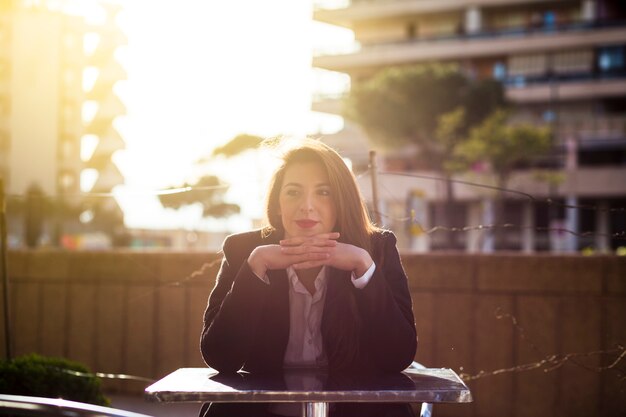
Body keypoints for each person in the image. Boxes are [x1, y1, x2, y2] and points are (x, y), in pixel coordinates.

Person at [199, 139, 418, 416]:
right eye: (293, 193)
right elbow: (220, 357)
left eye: (323, 192)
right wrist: (256, 267)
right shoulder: (243, 250)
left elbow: (397, 356)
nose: (307, 206)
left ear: (341, 202)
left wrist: (363, 267)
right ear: (278, 205)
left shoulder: (376, 249)